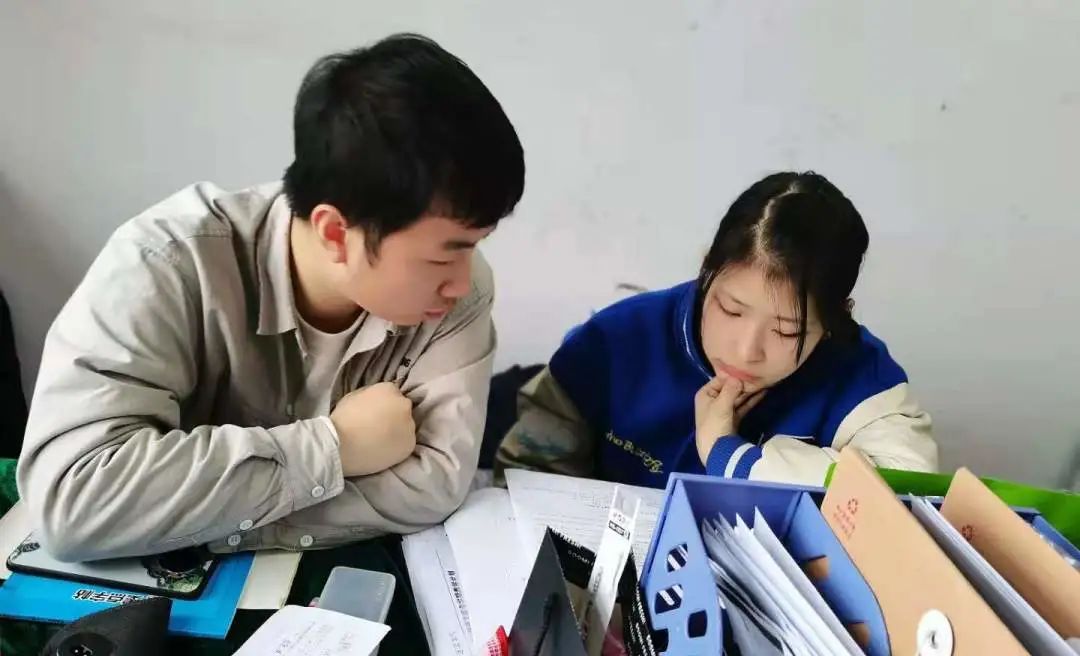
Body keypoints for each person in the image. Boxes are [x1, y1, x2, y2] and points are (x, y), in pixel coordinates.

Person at [18, 33, 525, 561]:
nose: (462, 282)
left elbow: (432, 485)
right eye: (444, 257)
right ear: (335, 233)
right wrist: (335, 448)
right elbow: (74, 501)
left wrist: (187, 517)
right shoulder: (166, 264)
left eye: (475, 247)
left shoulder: (459, 295)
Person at [497, 172, 936, 488]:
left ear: (836, 319)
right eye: (730, 309)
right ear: (707, 269)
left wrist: (731, 455)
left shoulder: (862, 381)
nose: (746, 351)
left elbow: (909, 496)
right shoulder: (617, 342)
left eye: (787, 332)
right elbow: (526, 481)